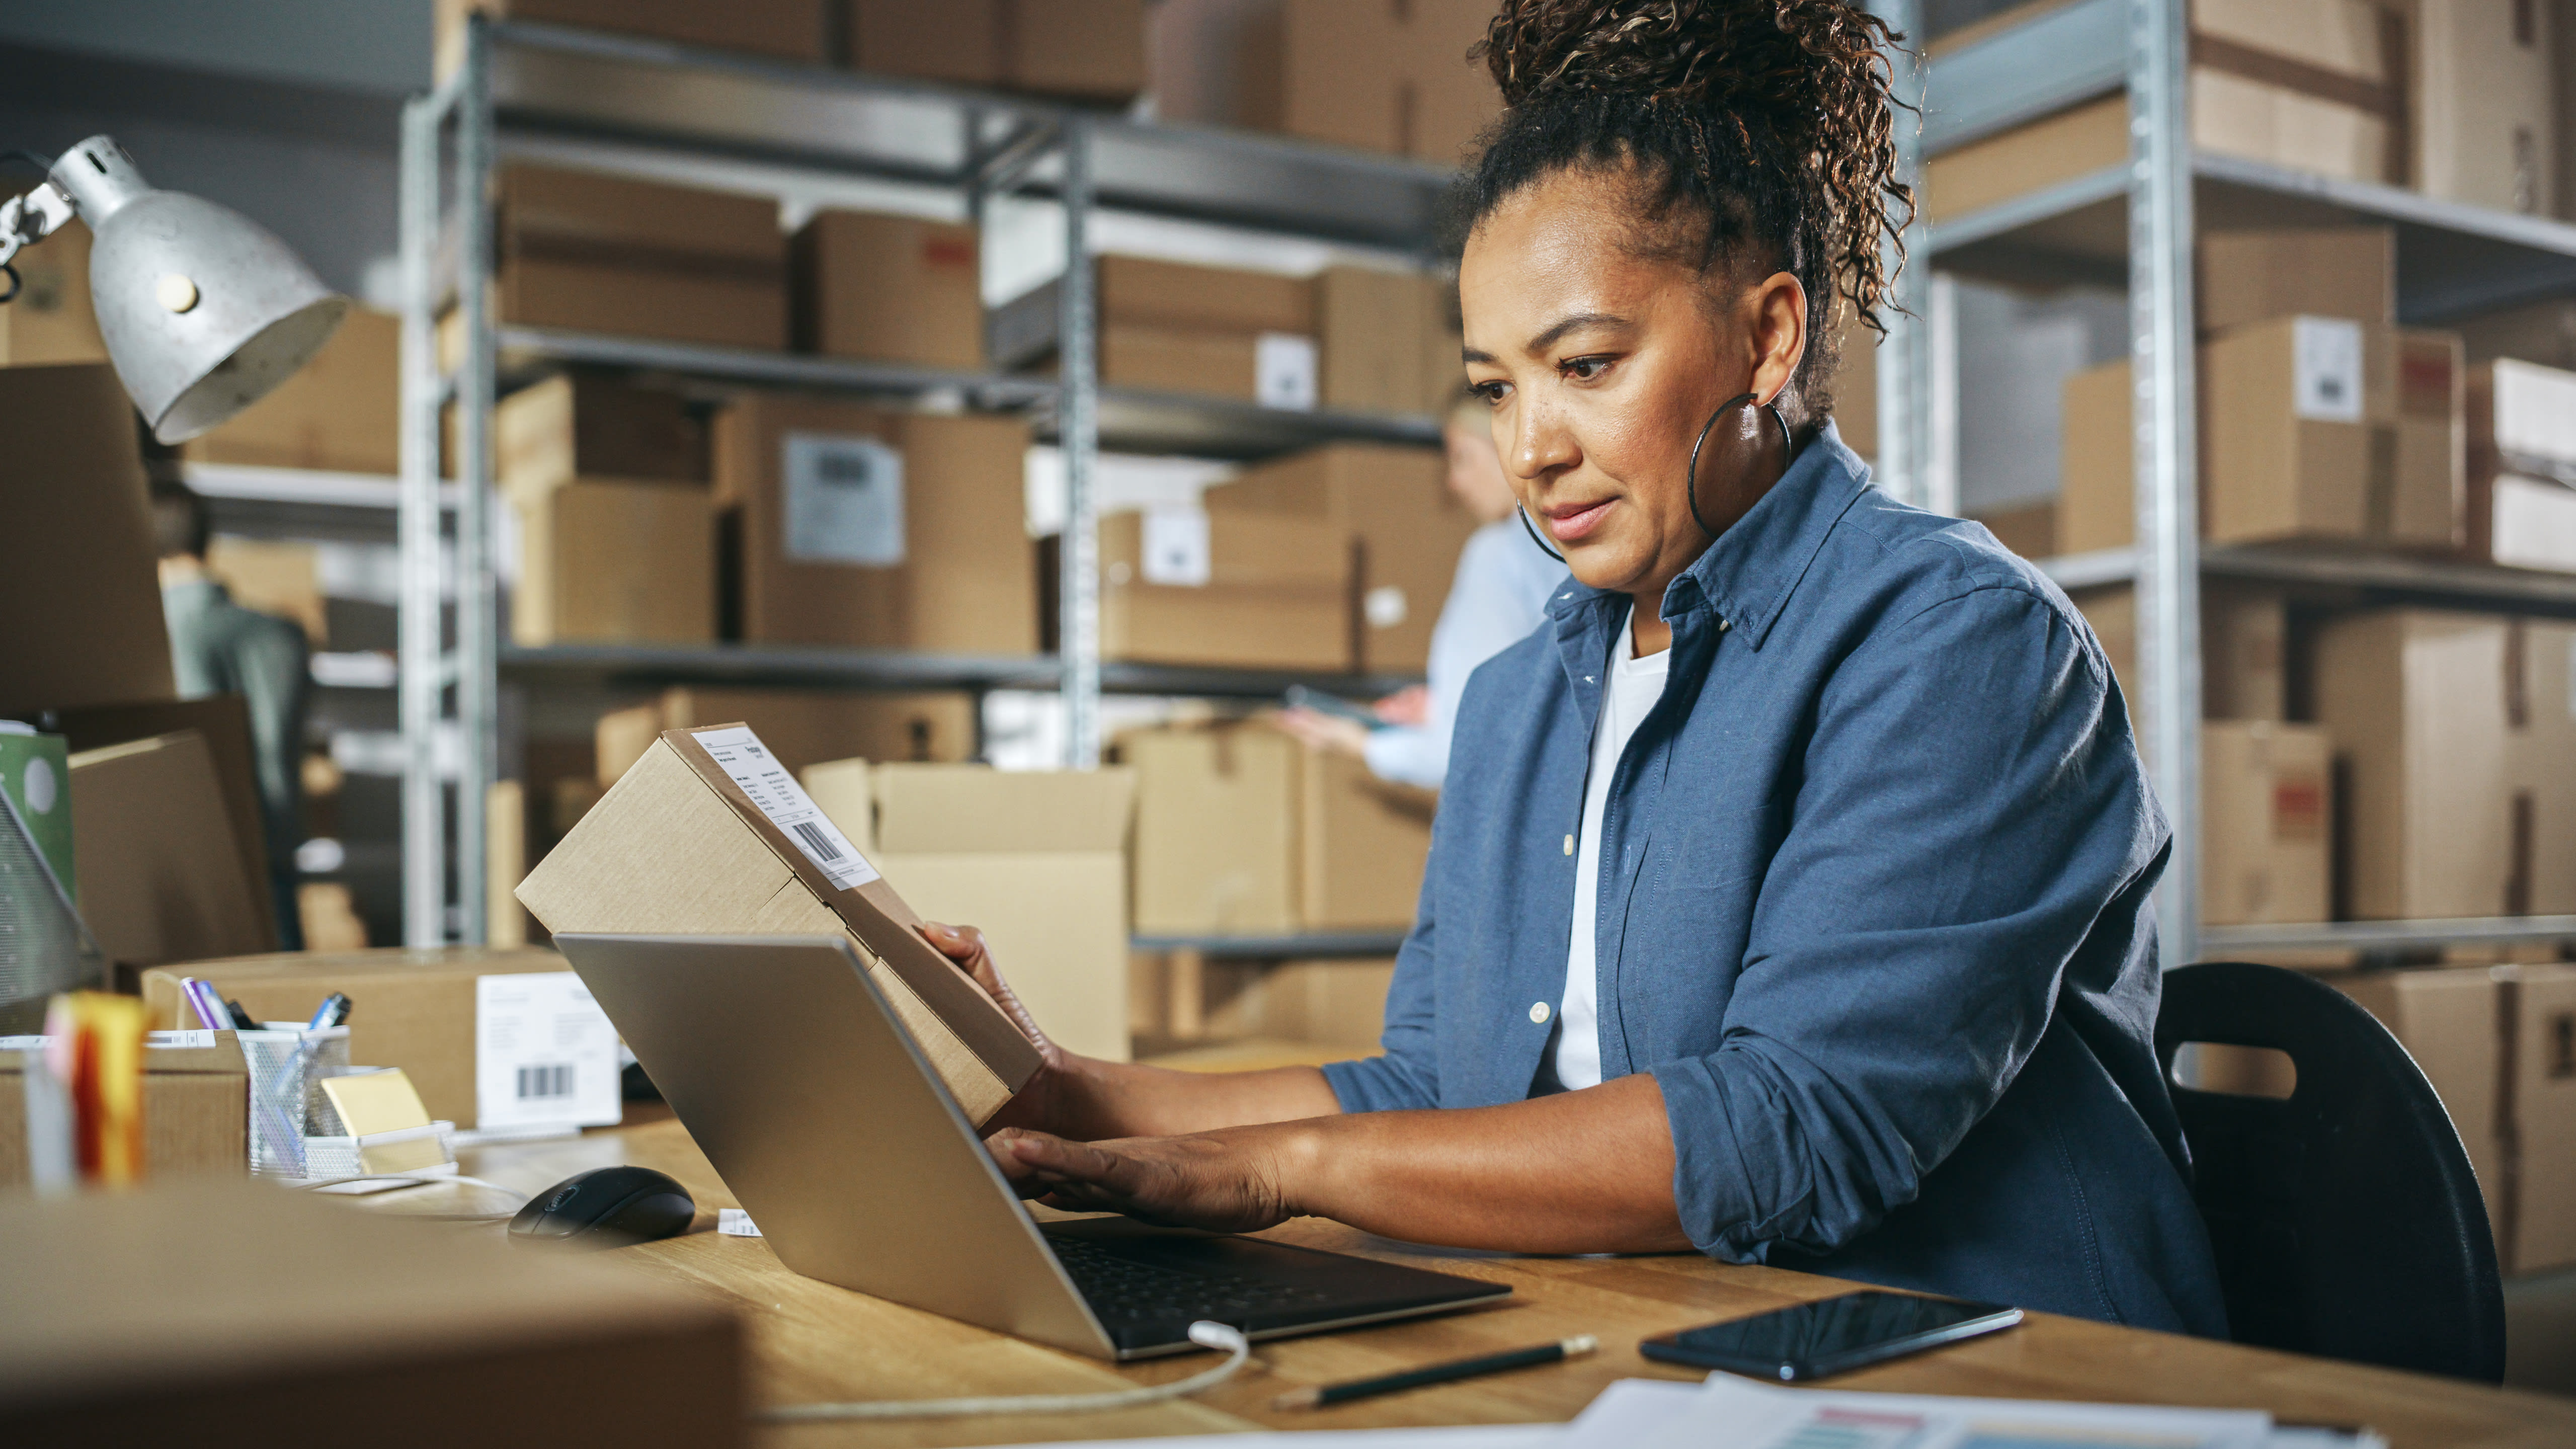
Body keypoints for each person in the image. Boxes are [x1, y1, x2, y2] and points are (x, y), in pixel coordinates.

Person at [924, 0, 2226, 1336]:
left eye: (1586, 365)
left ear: (1770, 338)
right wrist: (1062, 1092)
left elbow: (1791, 1128)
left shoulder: (1955, 642)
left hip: (1996, 1372)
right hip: (1659, 1353)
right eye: (1497, 388)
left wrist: (1273, 1173)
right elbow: (1433, 1094)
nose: (1530, 448)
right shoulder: (1522, 696)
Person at [1276, 396, 1567, 788]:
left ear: (1510, 446)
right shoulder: (1574, 547)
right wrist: (1442, 703)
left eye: (1463, 458)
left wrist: (1360, 744)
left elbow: (1468, 748)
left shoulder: (1496, 554)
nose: (1454, 482)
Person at [153, 480, 309, 950]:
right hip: (277, 843)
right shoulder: (282, 634)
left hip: (207, 858)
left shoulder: (162, 632)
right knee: (292, 1005)